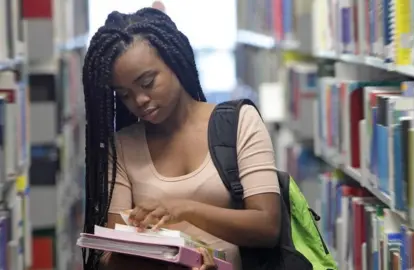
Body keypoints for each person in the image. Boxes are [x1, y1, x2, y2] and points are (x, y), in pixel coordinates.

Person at [81, 6, 281, 270]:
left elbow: (267, 226)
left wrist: (184, 209)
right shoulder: (122, 148)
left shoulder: (238, 122)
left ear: (174, 62)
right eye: (125, 94)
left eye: (147, 82)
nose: (139, 100)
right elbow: (114, 255)